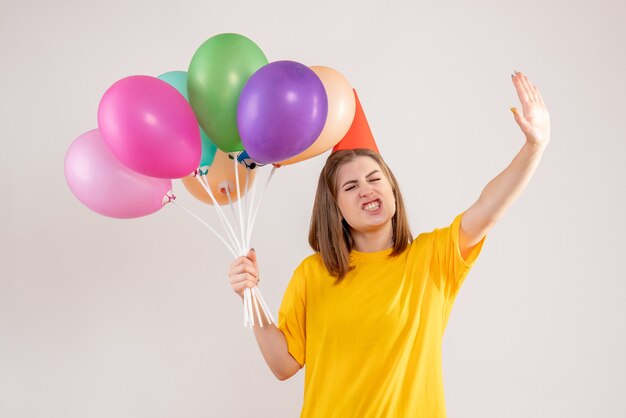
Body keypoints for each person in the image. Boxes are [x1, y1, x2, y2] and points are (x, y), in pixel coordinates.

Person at [228, 70, 550, 417]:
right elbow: (284, 364)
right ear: (334, 208)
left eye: (374, 178)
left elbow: (488, 209)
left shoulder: (432, 259)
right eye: (350, 187)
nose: (366, 189)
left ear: (393, 191)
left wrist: (534, 146)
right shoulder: (312, 273)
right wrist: (251, 294)